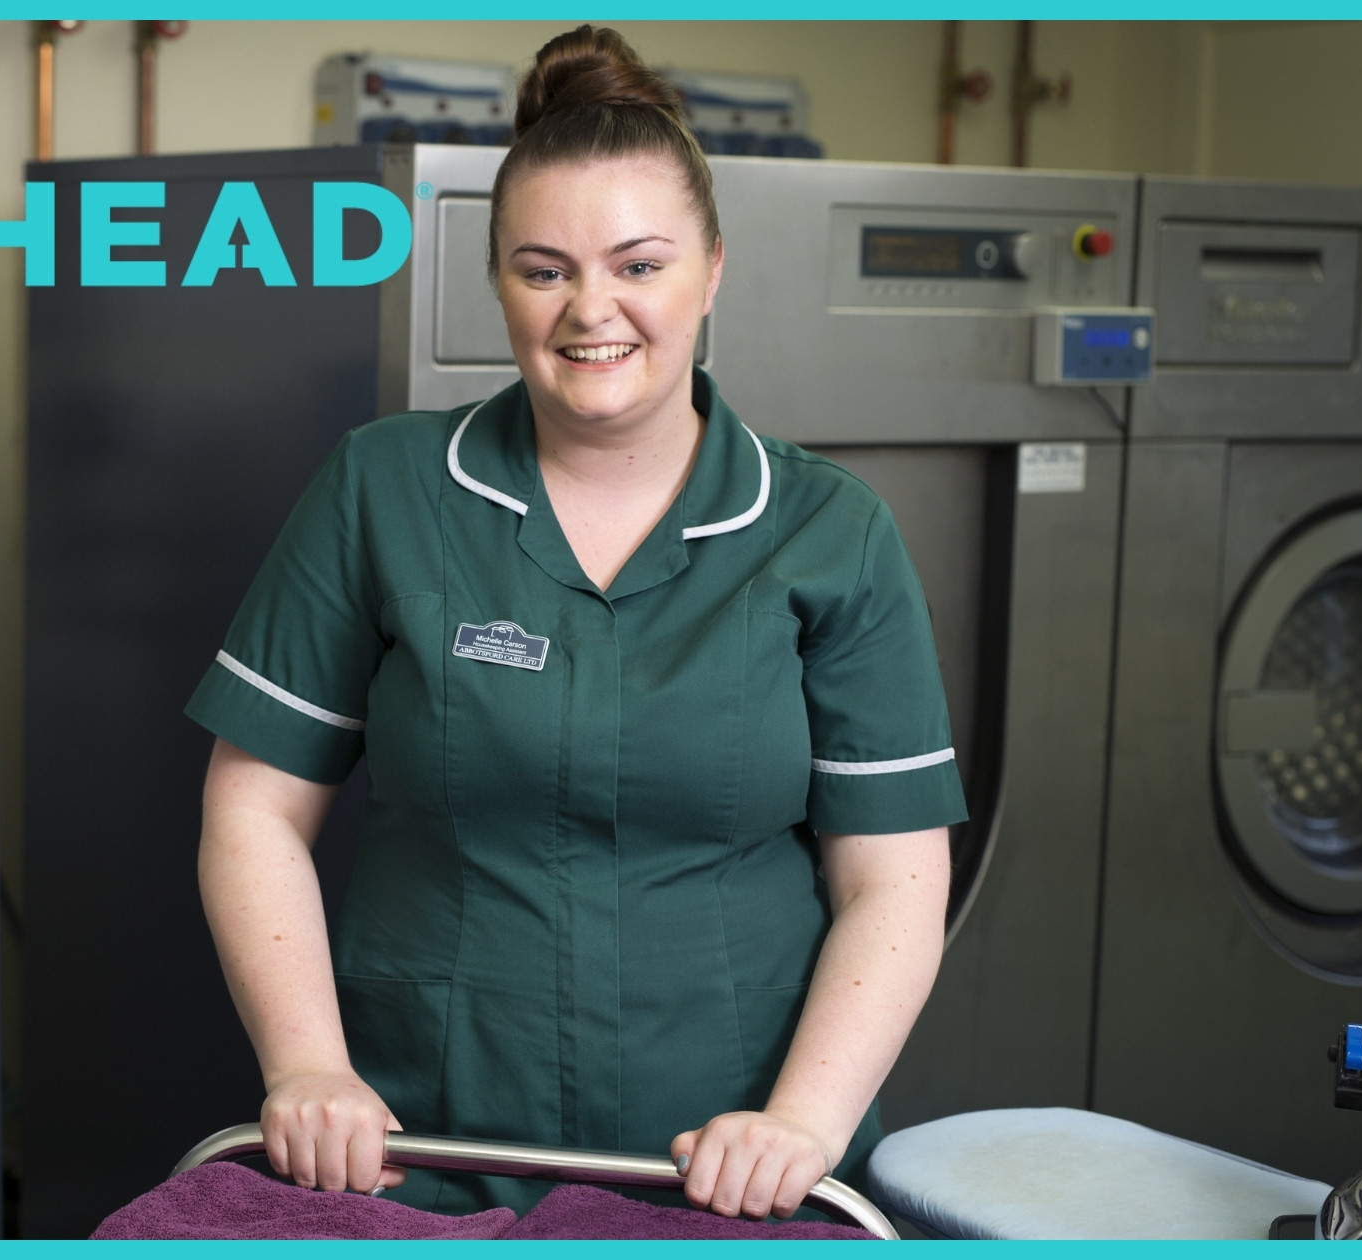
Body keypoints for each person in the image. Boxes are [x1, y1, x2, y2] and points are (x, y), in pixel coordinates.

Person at [186, 24, 964, 1222]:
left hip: (730, 1167)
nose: (590, 310)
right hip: (415, 1145)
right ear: (496, 281)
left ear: (712, 269)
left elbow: (895, 878)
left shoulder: (829, 530)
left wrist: (801, 1124)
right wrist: (307, 1070)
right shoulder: (382, 489)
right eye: (542, 270)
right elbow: (253, 810)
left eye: (637, 265)